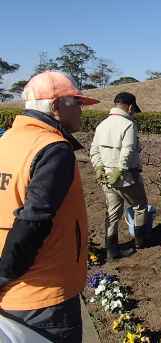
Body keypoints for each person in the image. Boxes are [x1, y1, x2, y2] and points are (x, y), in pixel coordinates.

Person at [0, 71, 99, 342]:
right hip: (45, 292)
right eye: (77, 103)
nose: (81, 110)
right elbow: (32, 222)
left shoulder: (7, 140)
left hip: (15, 290)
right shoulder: (53, 148)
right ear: (56, 106)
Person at [90, 92, 148, 260]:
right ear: (130, 107)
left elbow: (94, 150)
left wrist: (100, 168)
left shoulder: (102, 125)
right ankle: (140, 241)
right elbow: (128, 150)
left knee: (113, 211)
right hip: (126, 177)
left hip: (106, 178)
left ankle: (111, 249)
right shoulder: (128, 125)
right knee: (140, 206)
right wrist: (120, 170)